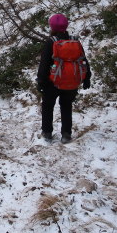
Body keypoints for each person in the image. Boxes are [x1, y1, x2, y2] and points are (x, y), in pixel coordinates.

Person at [36, 13, 91, 143]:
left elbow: (44, 64)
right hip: (72, 81)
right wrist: (87, 77)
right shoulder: (75, 41)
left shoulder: (51, 42)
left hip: (53, 82)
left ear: (51, 27)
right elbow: (83, 60)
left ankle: (47, 132)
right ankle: (66, 134)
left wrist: (41, 81)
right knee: (66, 106)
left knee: (48, 106)